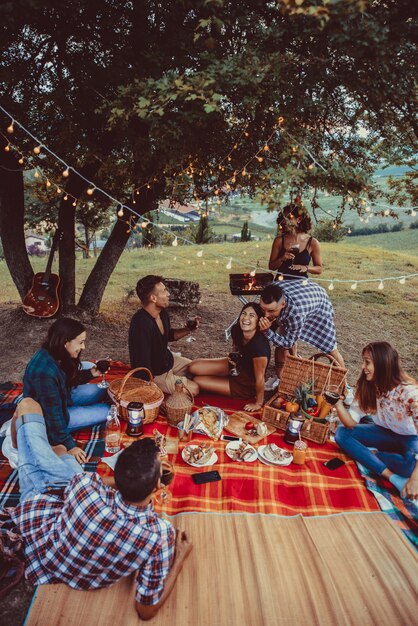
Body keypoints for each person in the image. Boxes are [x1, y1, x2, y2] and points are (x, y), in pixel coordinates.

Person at [5, 398, 192, 620]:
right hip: (44, 495)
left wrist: (137, 476)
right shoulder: (158, 535)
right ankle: (21, 452)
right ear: (159, 486)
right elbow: (145, 611)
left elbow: (91, 481)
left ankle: (27, 449)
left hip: (40, 510)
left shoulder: (86, 487)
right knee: (59, 450)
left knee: (28, 406)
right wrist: (180, 557)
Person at [334, 342, 418, 501]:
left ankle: (372, 455)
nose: (362, 367)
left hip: (411, 437)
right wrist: (337, 403)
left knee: (411, 467)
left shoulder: (410, 392)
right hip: (384, 433)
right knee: (341, 434)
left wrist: (415, 479)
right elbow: (351, 423)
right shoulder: (368, 384)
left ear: (382, 363)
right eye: (363, 361)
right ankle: (393, 477)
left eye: (367, 362)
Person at [22, 317, 109, 464]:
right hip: (51, 419)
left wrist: (93, 373)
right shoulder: (45, 373)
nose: (84, 347)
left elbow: (67, 380)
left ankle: (80, 404)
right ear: (65, 342)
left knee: (102, 387)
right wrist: (69, 446)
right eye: (80, 342)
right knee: (108, 410)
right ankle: (80, 409)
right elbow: (53, 416)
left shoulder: (56, 353)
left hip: (61, 397)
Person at [259, 281, 346, 385]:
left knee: (330, 347)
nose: (266, 315)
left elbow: (288, 343)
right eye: (263, 309)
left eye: (271, 311)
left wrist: (267, 332)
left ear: (283, 304)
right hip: (301, 293)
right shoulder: (271, 289)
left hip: (319, 303)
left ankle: (344, 384)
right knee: (281, 339)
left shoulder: (296, 314)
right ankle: (281, 376)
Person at [188, 303, 270, 412]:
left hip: (245, 384)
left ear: (259, 320)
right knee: (193, 367)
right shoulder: (236, 330)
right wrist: (232, 358)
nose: (245, 318)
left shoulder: (259, 348)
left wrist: (258, 403)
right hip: (236, 365)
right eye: (244, 314)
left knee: (197, 380)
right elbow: (235, 348)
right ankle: (224, 377)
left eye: (252, 315)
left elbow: (260, 378)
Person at [129, 275, 200, 395]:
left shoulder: (162, 313)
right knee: (195, 388)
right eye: (164, 291)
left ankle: (177, 376)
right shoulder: (141, 324)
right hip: (155, 373)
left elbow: (168, 336)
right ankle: (170, 381)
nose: (168, 294)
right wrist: (149, 388)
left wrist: (188, 329)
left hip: (167, 361)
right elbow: (142, 363)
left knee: (198, 369)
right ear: (153, 298)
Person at [268, 203, 323, 281]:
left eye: (288, 218)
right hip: (282, 282)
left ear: (299, 219)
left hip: (302, 284)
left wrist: (306, 267)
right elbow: (271, 267)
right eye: (283, 218)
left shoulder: (312, 242)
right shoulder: (279, 240)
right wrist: (282, 258)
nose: (284, 221)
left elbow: (319, 269)